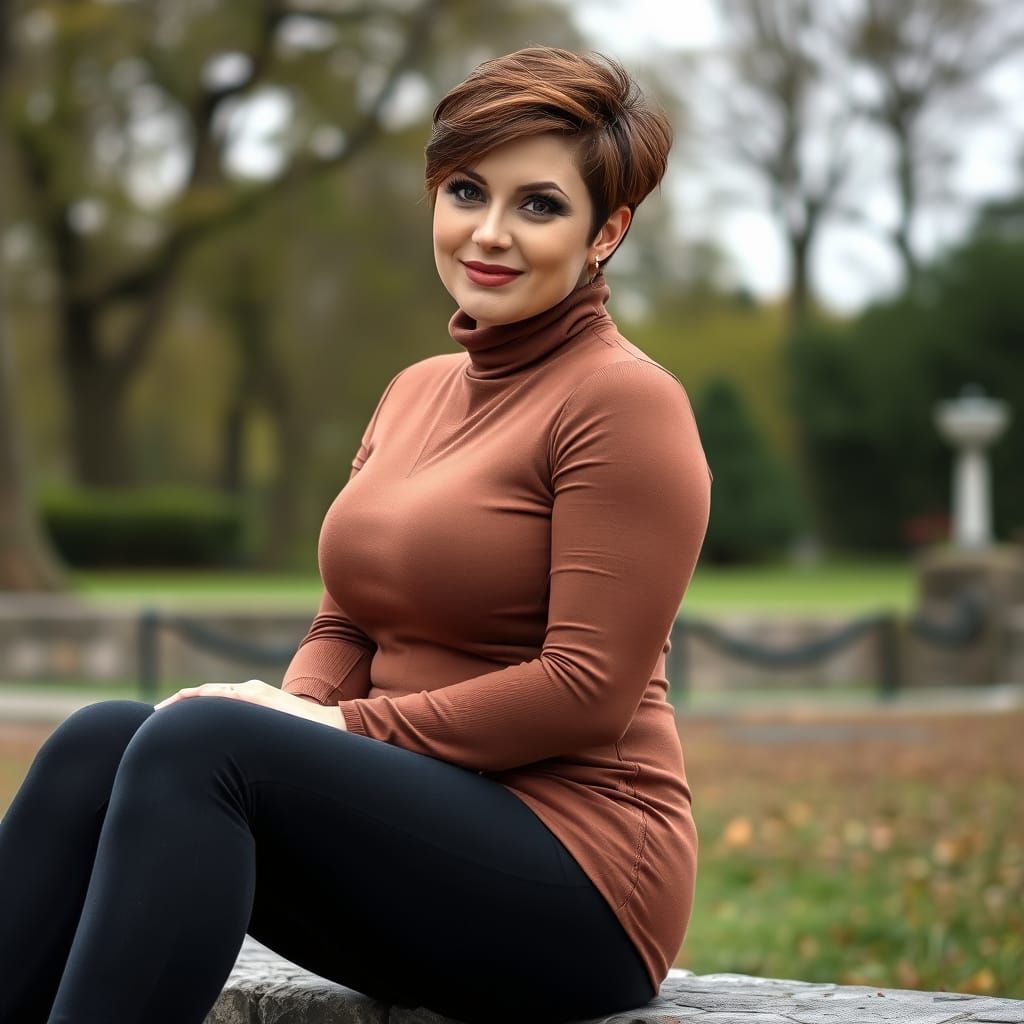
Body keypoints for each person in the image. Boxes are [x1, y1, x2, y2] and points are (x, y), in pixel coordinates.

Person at [0, 45, 711, 1024]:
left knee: (204, 738)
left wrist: (330, 729)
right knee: (103, 739)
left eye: (538, 205)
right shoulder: (414, 391)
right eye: (466, 191)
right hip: (414, 831)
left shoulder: (624, 403)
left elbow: (586, 692)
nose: (489, 233)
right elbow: (347, 624)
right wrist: (295, 711)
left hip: (579, 877)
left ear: (606, 232)